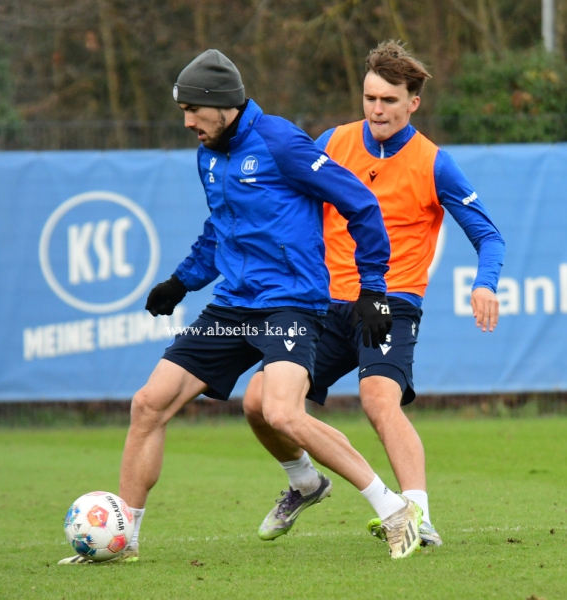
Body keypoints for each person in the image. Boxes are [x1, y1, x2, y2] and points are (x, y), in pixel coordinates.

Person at [59, 48, 424, 564]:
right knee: (149, 404)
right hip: (230, 309)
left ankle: (394, 509)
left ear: (223, 104)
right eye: (182, 111)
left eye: (193, 110)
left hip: (289, 306)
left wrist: (371, 288)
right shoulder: (208, 154)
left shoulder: (281, 143)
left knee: (280, 411)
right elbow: (220, 230)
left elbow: (359, 203)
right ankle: (124, 540)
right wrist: (180, 282)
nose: (187, 122)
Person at [242, 40, 505, 548]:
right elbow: (288, 200)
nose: (377, 109)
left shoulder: (434, 163)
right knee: (257, 402)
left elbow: (488, 236)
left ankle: (417, 516)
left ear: (413, 103)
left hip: (389, 302)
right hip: (323, 305)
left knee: (379, 399)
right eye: (370, 98)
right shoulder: (332, 143)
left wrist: (484, 284)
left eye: (389, 100)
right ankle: (304, 481)